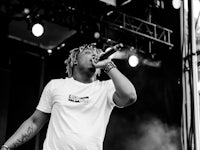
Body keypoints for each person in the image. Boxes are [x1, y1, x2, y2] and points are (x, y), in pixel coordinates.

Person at [1, 43, 137, 150]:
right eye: (88, 52)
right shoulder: (56, 85)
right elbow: (34, 122)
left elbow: (130, 96)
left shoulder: (105, 88)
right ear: (75, 60)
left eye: (96, 53)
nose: (94, 55)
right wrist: (6, 147)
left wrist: (108, 65)